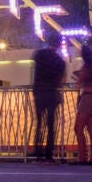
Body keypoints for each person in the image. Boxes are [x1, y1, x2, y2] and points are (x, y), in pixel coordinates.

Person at [31, 31, 67, 163]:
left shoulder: (39, 54)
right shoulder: (59, 60)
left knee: (39, 122)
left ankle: (37, 151)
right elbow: (61, 79)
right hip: (52, 93)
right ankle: (48, 153)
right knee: (51, 124)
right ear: (58, 44)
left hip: (39, 91)